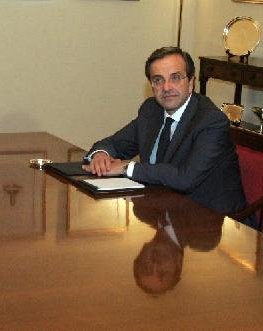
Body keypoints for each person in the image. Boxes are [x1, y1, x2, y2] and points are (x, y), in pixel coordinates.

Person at [83, 46, 247, 216]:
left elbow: (186, 178)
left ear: (191, 83)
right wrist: (101, 155)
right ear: (152, 85)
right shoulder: (151, 110)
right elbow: (114, 144)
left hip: (211, 224)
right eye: (158, 80)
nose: (166, 87)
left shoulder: (210, 121)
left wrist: (127, 168)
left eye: (175, 78)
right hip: (160, 211)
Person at [131, 193, 223, 295]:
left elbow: (138, 192)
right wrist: (154, 198)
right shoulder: (204, 238)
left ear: (142, 250)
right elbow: (200, 197)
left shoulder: (143, 211)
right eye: (163, 273)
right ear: (178, 263)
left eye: (146, 268)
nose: (155, 265)